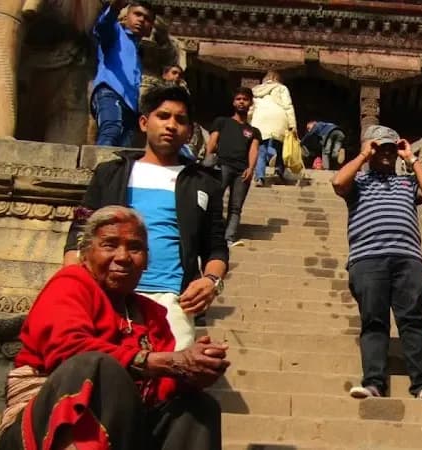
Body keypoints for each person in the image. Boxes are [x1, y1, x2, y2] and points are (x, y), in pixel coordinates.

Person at [0, 205, 229, 450]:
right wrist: (166, 361)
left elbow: (162, 390)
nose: (123, 257)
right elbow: (66, 350)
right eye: (109, 245)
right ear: (85, 254)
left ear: (147, 261)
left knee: (198, 407)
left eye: (135, 248)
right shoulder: (71, 284)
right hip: (46, 426)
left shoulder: (152, 313)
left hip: (126, 429)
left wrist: (195, 371)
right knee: (98, 365)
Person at [64, 85, 229, 351]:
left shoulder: (204, 183)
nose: (171, 125)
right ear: (144, 122)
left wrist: (211, 281)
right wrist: (74, 283)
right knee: (100, 368)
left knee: (171, 373)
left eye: (180, 120)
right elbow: (79, 232)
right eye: (163, 116)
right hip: (106, 292)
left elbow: (217, 246)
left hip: (172, 300)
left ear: (189, 132)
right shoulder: (111, 173)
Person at [331, 125, 422, 400]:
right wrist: (364, 155)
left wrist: (410, 158)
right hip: (367, 259)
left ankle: (421, 384)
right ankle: (374, 383)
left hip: (408, 259)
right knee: (374, 321)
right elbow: (338, 183)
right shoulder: (358, 182)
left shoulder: (407, 183)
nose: (386, 153)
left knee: (412, 320)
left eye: (391, 148)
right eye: (380, 147)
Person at [91, 0, 155, 147]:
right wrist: (114, 8)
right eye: (137, 14)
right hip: (110, 92)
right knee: (111, 130)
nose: (141, 20)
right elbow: (103, 26)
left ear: (150, 28)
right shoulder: (116, 33)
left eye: (147, 18)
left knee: (124, 147)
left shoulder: (138, 51)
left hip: (131, 105)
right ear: (126, 17)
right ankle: (100, 162)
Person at [204, 87, 261, 247]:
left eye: (245, 99)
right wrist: (209, 159)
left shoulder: (253, 131)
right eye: (238, 99)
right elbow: (212, 142)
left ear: (250, 103)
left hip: (241, 171)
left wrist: (251, 168)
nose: (241, 102)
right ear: (233, 102)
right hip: (222, 165)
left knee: (236, 207)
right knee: (214, 201)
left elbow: (254, 150)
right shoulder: (222, 122)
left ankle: (229, 237)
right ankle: (211, 234)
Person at [249, 71, 297, 184]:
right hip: (279, 118)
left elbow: (251, 109)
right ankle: (278, 169)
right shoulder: (281, 88)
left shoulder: (255, 90)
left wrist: (249, 122)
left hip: (260, 119)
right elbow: (288, 106)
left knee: (261, 149)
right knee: (280, 147)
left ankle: (260, 177)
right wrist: (293, 125)